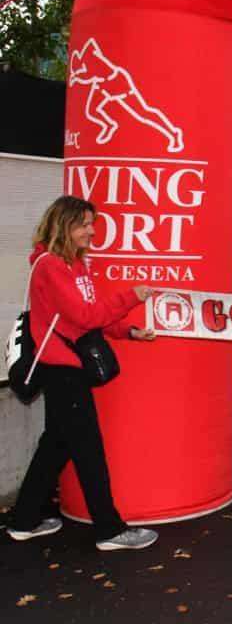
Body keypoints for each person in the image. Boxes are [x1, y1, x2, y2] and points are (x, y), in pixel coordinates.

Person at [6, 196, 160, 551]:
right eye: (85, 224)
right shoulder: (51, 267)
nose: (92, 230)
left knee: (55, 446)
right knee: (88, 449)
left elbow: (89, 317)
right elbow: (86, 316)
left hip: (67, 367)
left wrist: (128, 332)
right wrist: (131, 296)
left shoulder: (74, 265)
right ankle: (110, 531)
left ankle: (24, 521)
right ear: (65, 225)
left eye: (92, 223)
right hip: (63, 371)